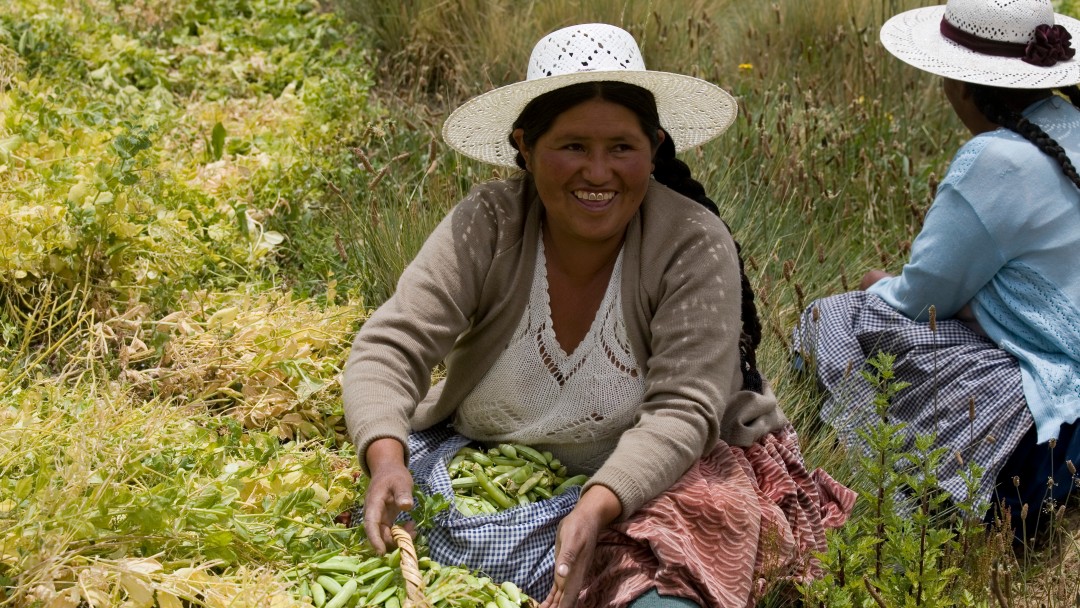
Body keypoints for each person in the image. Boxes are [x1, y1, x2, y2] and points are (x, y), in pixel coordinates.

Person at [343, 23, 854, 608]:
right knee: (414, 539)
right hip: (499, 461)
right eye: (572, 147)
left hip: (662, 471)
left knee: (668, 579)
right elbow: (390, 347)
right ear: (525, 148)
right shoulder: (487, 225)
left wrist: (597, 502)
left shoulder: (691, 243)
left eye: (621, 148)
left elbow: (684, 410)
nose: (597, 173)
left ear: (654, 147)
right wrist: (386, 458)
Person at [794, 0, 1080, 547]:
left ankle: (907, 490)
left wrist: (878, 286)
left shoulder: (996, 161)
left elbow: (918, 303)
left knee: (831, 319)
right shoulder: (1071, 126)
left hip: (1049, 432)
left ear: (958, 83)